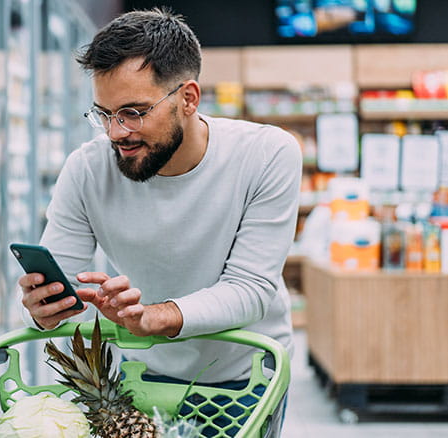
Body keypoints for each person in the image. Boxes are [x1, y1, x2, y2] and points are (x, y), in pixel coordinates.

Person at [18, 7, 299, 432]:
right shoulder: (87, 169)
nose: (115, 132)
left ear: (188, 98)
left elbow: (251, 289)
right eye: (104, 114)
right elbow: (63, 290)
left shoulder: (267, 155)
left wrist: (155, 317)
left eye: (133, 112)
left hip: (246, 378)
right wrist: (43, 311)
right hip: (140, 375)